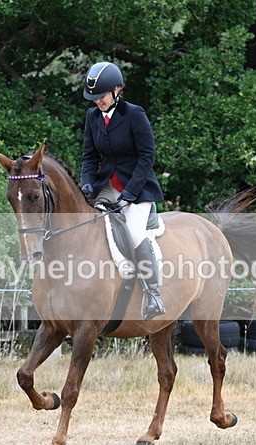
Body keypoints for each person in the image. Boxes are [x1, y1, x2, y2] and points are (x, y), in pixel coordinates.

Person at [79, 61, 166, 320]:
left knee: (134, 232)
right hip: (105, 187)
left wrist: (129, 193)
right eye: (94, 98)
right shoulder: (92, 117)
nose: (98, 102)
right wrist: (87, 182)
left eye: (102, 96)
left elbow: (147, 156)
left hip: (137, 188)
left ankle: (153, 295)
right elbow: (89, 157)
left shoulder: (134, 114)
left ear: (117, 90)